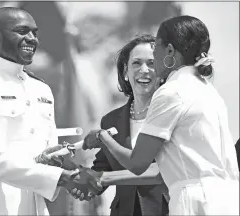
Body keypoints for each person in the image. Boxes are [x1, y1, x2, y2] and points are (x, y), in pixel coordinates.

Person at [82, 15, 239, 215]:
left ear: (170, 51)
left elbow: (138, 163)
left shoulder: (172, 91)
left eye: (155, 48)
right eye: (136, 63)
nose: (149, 65)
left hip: (195, 201)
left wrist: (101, 137)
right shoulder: (207, 90)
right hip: (227, 199)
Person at [0, 7, 101, 215]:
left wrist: (72, 169)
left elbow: (46, 155)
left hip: (36, 208)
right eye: (22, 31)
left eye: (35, 33)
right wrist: (63, 178)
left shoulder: (41, 89)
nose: (32, 39)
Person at [69, 35, 169, 216]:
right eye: (136, 63)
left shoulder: (172, 113)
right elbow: (102, 169)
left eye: (152, 63)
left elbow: (167, 168)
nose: (144, 70)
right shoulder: (111, 120)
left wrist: (101, 177)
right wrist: (84, 185)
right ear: (125, 71)